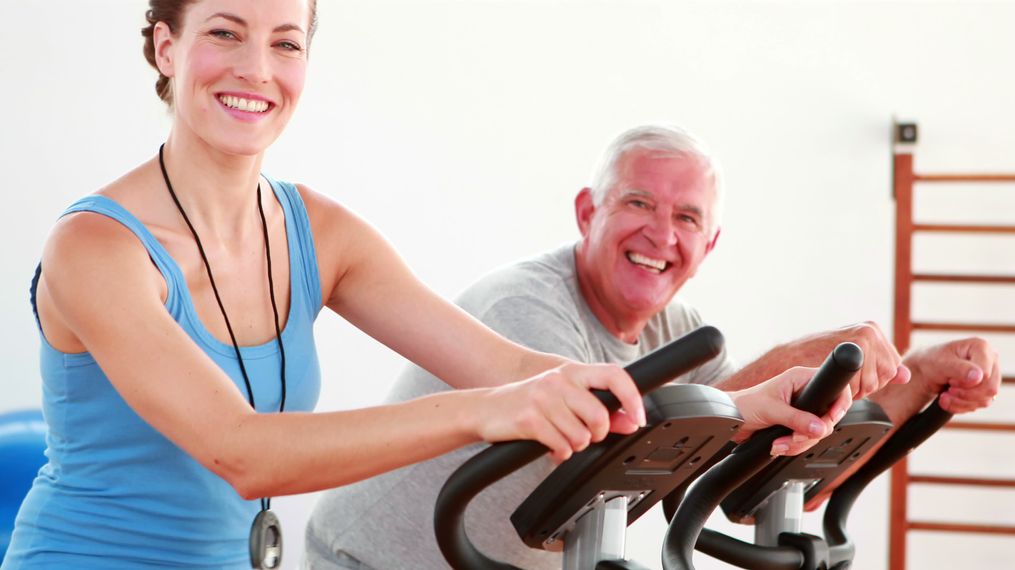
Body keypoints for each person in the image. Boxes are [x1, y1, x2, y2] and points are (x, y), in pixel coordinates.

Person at [1, 3, 851, 569]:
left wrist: (739, 405)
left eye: (286, 41)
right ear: (166, 47)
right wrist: (482, 412)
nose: (257, 68)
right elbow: (240, 449)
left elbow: (511, 366)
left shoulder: (317, 232)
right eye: (224, 32)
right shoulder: (95, 250)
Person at [303, 125, 1001, 569]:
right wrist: (812, 350)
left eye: (687, 217)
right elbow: (612, 436)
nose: (661, 234)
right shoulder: (527, 305)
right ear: (588, 211)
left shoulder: (677, 333)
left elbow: (743, 464)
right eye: (639, 203)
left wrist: (917, 383)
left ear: (709, 244)